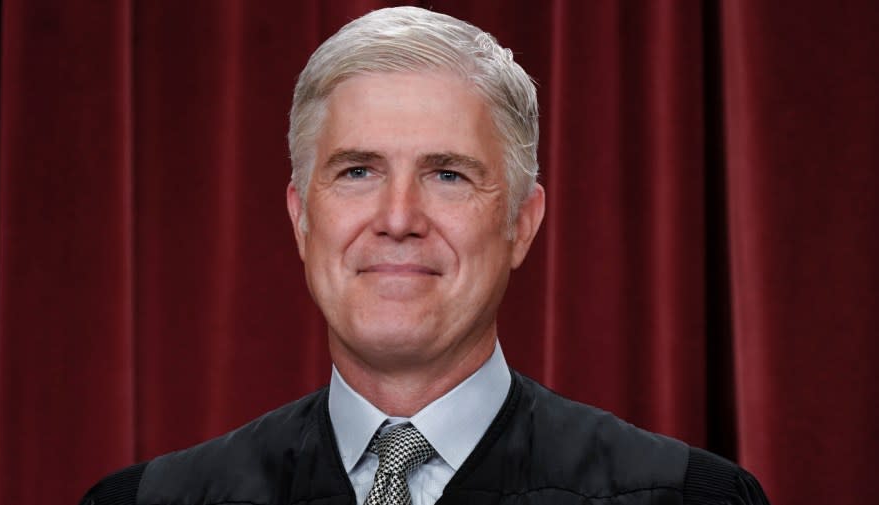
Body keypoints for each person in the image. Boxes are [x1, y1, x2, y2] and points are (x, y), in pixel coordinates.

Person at [81, 7, 769, 505]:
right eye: (357, 171)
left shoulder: (683, 497)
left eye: (448, 174)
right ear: (301, 218)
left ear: (521, 224)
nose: (399, 219)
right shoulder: (148, 501)